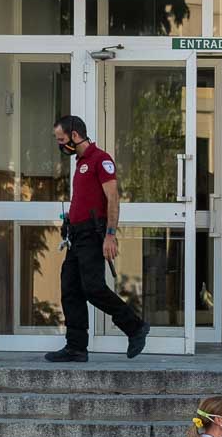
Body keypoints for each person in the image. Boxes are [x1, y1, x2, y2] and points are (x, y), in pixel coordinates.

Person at [46, 115, 149, 362]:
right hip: (77, 235)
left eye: (61, 139)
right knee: (70, 288)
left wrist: (110, 235)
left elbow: (113, 199)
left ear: (74, 135)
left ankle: (134, 326)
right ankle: (76, 347)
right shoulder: (80, 162)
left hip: (93, 234)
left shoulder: (100, 160)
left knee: (93, 288)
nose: (60, 145)